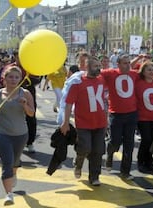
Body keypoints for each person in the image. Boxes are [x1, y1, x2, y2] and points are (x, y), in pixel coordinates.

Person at [0, 66, 35, 205]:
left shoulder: (25, 93)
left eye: (16, 77)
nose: (13, 80)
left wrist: (24, 105)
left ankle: (14, 173)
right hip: (3, 134)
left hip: (21, 134)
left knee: (15, 161)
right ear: (4, 78)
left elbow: (31, 113)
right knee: (7, 164)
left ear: (20, 79)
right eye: (10, 77)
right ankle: (9, 194)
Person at [61, 56, 107, 186]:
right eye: (95, 66)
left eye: (99, 66)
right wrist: (65, 122)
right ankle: (78, 162)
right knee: (85, 148)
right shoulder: (78, 83)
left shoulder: (101, 80)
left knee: (98, 151)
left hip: (100, 123)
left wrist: (106, 117)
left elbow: (104, 101)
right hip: (83, 123)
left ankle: (94, 176)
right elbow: (69, 104)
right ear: (87, 67)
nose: (98, 69)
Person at [102, 54, 139, 179]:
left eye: (129, 63)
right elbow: (94, 73)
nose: (128, 65)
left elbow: (149, 76)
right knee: (115, 141)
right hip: (116, 114)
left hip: (132, 114)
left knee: (129, 143)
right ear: (118, 64)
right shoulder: (110, 73)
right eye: (125, 63)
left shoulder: (134, 74)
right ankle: (110, 153)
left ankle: (125, 171)